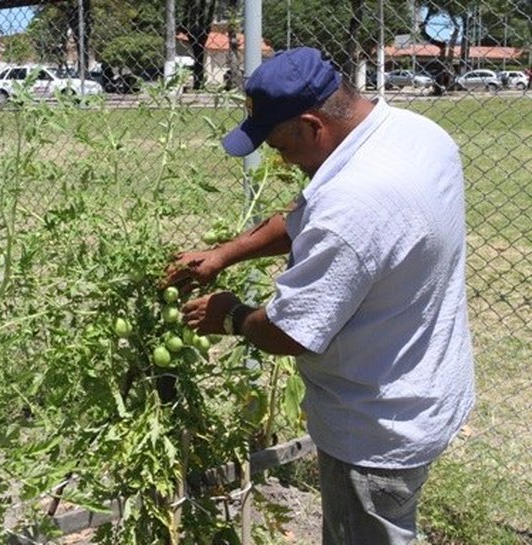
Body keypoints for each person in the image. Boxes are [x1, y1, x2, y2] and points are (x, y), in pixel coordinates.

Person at [164, 47, 475, 545]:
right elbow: (306, 216)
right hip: (425, 384)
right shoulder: (413, 134)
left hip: (374, 429)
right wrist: (224, 254)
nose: (279, 159)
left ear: (312, 127)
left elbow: (291, 332)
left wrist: (231, 316)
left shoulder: (353, 205)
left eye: (279, 145)